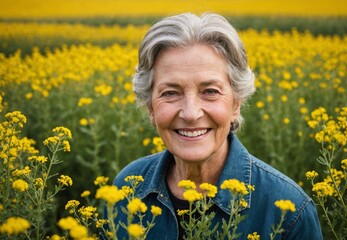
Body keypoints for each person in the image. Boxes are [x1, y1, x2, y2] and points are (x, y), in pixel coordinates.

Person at [107, 13, 323, 239]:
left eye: (210, 91)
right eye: (170, 93)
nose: (191, 113)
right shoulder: (126, 188)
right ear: (150, 107)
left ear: (236, 103)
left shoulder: (289, 213)